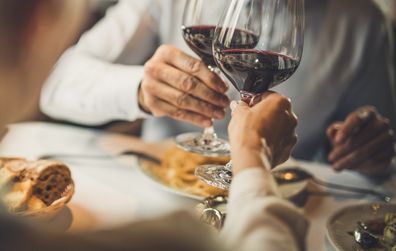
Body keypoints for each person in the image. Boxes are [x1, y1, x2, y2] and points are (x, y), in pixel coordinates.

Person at [0, 0, 307, 250]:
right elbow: (57, 85)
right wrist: (140, 89)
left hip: (303, 199)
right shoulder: (171, 239)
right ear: (36, 22)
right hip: (156, 197)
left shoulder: (354, 18)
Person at [40, 0, 396, 176]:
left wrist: (368, 149)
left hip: (280, 203)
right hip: (162, 187)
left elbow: (379, 147)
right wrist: (140, 90)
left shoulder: (363, 21)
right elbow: (56, 86)